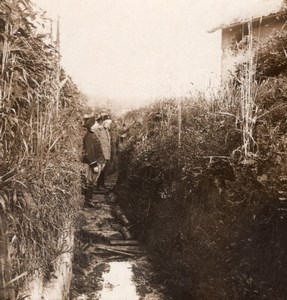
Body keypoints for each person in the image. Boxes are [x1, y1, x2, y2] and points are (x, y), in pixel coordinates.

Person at [82, 115, 106, 207]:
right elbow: (89, 152)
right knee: (90, 182)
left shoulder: (92, 134)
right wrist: (94, 165)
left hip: (98, 161)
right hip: (93, 163)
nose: (97, 123)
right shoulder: (88, 137)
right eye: (95, 122)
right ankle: (88, 201)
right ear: (92, 126)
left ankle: (90, 199)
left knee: (92, 182)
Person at [96, 112, 112, 191]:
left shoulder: (106, 130)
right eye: (108, 123)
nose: (109, 125)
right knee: (100, 170)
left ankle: (101, 184)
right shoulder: (99, 130)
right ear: (104, 122)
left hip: (106, 153)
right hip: (101, 153)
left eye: (109, 124)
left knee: (103, 170)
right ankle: (98, 186)